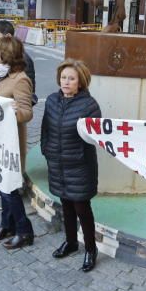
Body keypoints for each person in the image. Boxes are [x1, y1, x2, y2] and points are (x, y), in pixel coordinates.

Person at [42, 60, 102, 272]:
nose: (66, 82)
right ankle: (71, 242)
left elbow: (95, 137)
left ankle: (91, 249)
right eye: (64, 77)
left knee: (82, 208)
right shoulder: (51, 101)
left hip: (79, 165)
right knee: (65, 204)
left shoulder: (89, 105)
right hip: (57, 163)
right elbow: (45, 130)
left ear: (81, 82)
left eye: (71, 78)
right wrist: (47, 151)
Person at [0, 36, 35, 249]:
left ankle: (25, 231)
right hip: (1, 141)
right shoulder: (5, 77)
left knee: (10, 189)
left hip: (12, 144)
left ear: (5, 54)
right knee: (2, 184)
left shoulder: (20, 79)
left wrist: (12, 112)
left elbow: (27, 113)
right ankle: (7, 225)